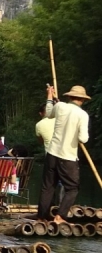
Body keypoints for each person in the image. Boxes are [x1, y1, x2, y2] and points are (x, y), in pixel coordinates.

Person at [37, 85, 91, 223]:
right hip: (67, 157)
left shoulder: (60, 106)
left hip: (52, 153)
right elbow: (83, 138)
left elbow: (48, 113)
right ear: (82, 100)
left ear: (69, 97)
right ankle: (60, 216)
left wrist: (50, 95)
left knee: (48, 186)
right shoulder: (82, 115)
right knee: (72, 188)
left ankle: (42, 216)